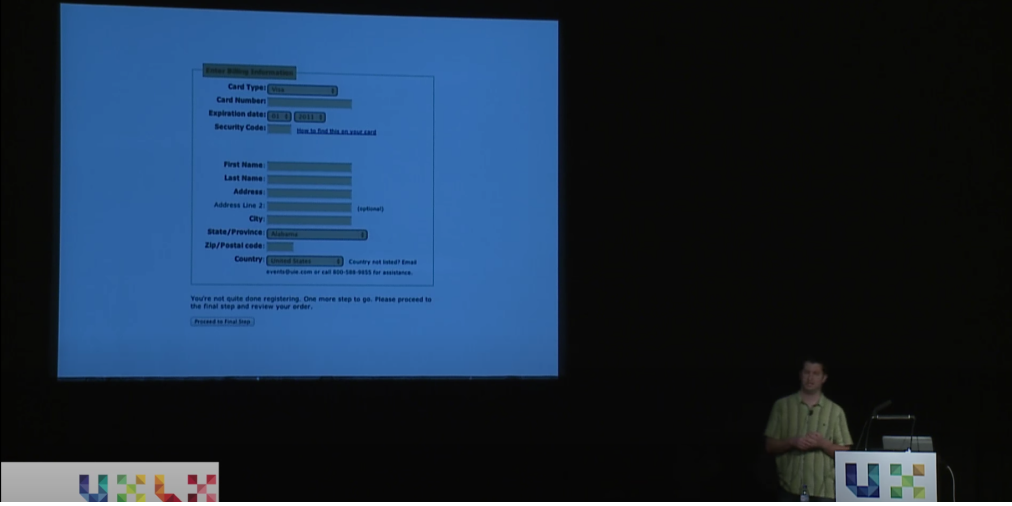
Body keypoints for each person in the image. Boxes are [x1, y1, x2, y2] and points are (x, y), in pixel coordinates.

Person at [764, 357, 853, 501]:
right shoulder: (782, 406)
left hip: (823, 492)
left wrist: (823, 444)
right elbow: (769, 446)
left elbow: (846, 454)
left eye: (816, 373)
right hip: (789, 489)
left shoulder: (835, 411)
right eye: (807, 372)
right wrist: (792, 442)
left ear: (824, 378)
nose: (810, 378)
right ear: (800, 375)